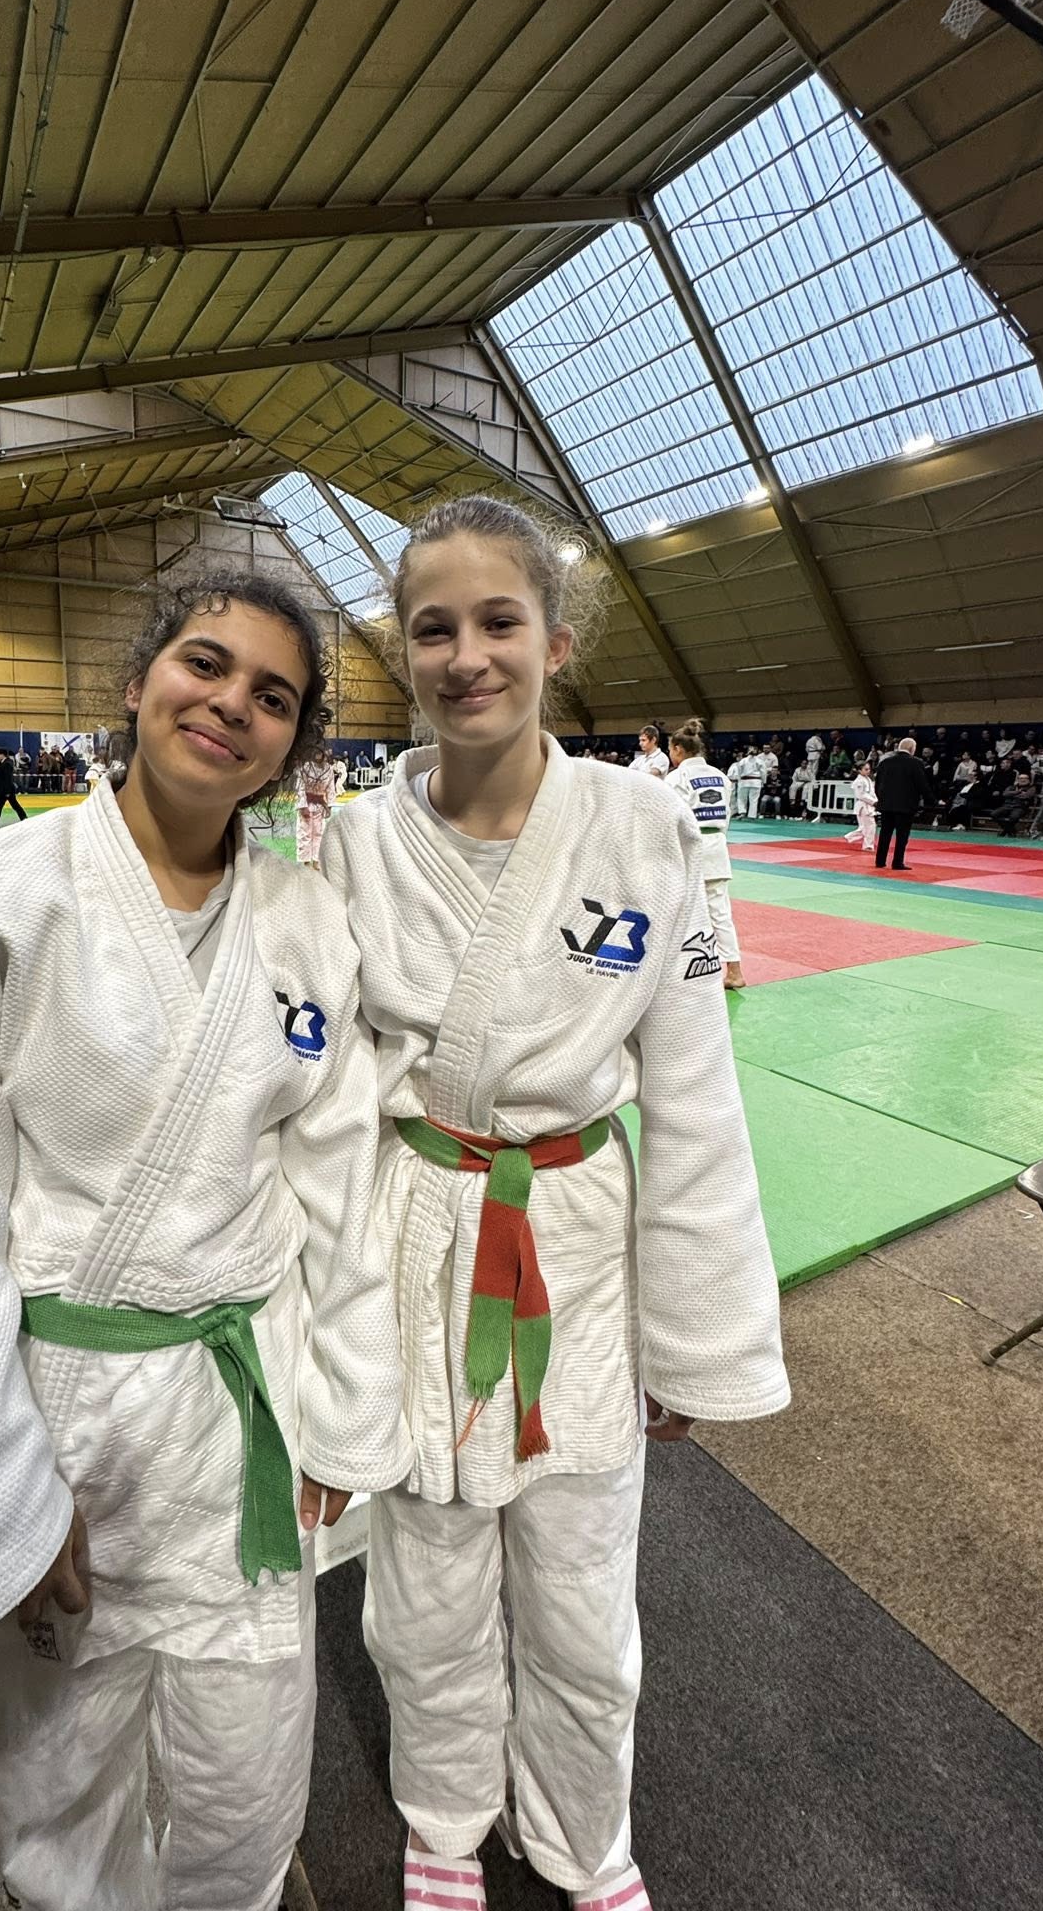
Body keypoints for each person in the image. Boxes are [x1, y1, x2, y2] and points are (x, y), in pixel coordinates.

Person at [0, 568, 409, 1911]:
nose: (231, 707)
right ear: (138, 680)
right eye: (205, 665)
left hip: (236, 1404)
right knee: (60, 1786)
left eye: (274, 698)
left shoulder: (308, 925)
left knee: (247, 1772)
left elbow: (339, 1188)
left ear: (295, 747)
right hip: (59, 1415)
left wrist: (338, 1412)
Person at [321, 497, 787, 1911]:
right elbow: (330, 1117)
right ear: (403, 654)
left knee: (584, 1586)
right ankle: (447, 1819)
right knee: (427, 1580)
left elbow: (696, 1096)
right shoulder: (351, 843)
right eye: (434, 628)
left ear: (557, 641)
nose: (468, 655)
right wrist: (324, 1343)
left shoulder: (643, 828)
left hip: (580, 1244)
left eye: (499, 621)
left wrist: (699, 1337)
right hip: (421, 1231)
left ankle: (587, 1835)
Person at [666, 717, 744, 989]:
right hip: (717, 845)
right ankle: (734, 970)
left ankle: (675, 969)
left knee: (675, 910)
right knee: (720, 912)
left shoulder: (676, 778)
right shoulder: (722, 777)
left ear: (677, 749)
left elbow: (673, 818)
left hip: (689, 848)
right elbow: (728, 815)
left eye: (670, 749)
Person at [874, 736, 926, 871]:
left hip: (886, 804)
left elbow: (878, 784)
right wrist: (932, 800)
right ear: (912, 749)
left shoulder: (885, 762)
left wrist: (881, 798)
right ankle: (897, 862)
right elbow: (922, 784)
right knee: (902, 835)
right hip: (905, 805)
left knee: (885, 833)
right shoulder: (916, 763)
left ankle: (880, 861)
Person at [293, 750, 338, 869]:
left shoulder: (328, 769)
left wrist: (329, 805)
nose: (319, 755)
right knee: (305, 833)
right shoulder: (306, 767)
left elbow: (330, 788)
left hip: (320, 804)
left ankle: (316, 860)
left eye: (321, 753)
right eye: (316, 753)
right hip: (307, 803)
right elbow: (300, 787)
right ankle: (305, 861)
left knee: (319, 832)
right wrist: (302, 805)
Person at [0, 745, 29, 829]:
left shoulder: (8, 763)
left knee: (12, 806)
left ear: (2, 755)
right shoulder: (4, 762)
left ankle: (24, 819)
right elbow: (0, 773)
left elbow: (7, 778)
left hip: (6, 789)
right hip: (4, 789)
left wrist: (7, 792)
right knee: (4, 806)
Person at [844, 760, 877, 852]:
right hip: (863, 806)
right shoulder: (859, 781)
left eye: (869, 769)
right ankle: (867, 845)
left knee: (866, 827)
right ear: (859, 770)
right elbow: (861, 795)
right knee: (870, 826)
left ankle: (851, 837)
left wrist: (876, 801)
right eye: (866, 769)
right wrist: (873, 802)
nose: (868, 771)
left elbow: (872, 793)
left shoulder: (868, 779)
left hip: (868, 805)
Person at [735, 743, 765, 820]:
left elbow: (739, 771)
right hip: (756, 781)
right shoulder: (760, 761)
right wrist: (763, 781)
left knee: (741, 798)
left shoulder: (743, 761)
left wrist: (739, 780)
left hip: (744, 781)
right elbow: (763, 772)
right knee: (754, 799)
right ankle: (752, 816)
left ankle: (742, 812)